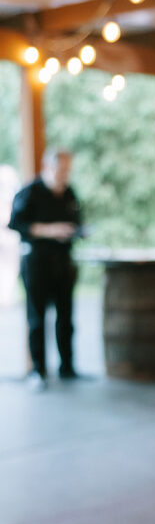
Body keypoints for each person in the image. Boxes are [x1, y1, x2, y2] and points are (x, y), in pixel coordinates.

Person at [8, 148, 82, 390]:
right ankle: (38, 370)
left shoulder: (69, 193)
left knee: (66, 318)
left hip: (63, 262)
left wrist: (74, 231)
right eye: (62, 170)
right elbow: (15, 223)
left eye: (68, 171)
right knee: (37, 318)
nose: (65, 175)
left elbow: (78, 220)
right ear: (49, 167)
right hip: (37, 263)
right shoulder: (30, 192)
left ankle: (67, 367)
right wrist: (50, 230)